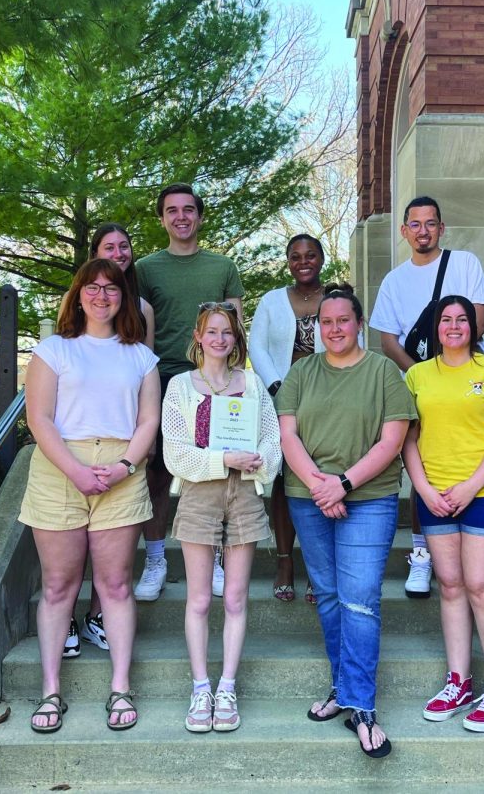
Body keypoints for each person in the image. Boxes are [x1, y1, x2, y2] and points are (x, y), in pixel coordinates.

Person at [20, 258, 160, 733]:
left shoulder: (140, 356)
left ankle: (120, 686)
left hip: (121, 468)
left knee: (116, 585)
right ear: (77, 295)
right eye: (93, 288)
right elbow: (39, 419)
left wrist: (124, 466)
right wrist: (76, 471)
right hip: (61, 470)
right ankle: (51, 691)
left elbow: (148, 421)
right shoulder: (54, 350)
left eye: (112, 288)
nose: (102, 296)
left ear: (124, 296)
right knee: (59, 585)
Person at [276, 283, 416, 758]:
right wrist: (321, 485)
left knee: (359, 601)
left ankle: (362, 706)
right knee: (331, 597)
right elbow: (288, 435)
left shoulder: (384, 372)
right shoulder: (302, 372)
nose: (334, 329)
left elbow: (391, 441)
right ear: (318, 327)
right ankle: (342, 688)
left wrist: (344, 485)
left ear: (359, 323)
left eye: (343, 320)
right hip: (307, 497)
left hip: (369, 498)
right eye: (326, 321)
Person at [402, 295, 484, 732]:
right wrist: (423, 490)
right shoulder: (417, 375)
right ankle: (458, 683)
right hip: (435, 496)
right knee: (451, 586)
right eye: (446, 320)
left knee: (482, 587)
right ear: (435, 328)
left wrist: (471, 486)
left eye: (462, 319)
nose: (454, 326)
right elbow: (408, 440)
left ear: (474, 327)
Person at [162, 303, 281, 732]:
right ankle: (200, 688)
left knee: (234, 598)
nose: (219, 339)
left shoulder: (251, 384)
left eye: (226, 332)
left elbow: (273, 439)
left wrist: (257, 460)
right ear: (198, 336)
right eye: (211, 331)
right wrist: (222, 458)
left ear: (235, 339)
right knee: (197, 598)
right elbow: (174, 451)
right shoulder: (180, 387)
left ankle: (226, 686)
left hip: (244, 493)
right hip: (199, 493)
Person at [369, 196, 484, 598]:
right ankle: (421, 553)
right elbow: (387, 341)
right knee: (421, 460)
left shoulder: (464, 264)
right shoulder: (393, 280)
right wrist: (422, 375)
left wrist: (456, 370)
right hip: (420, 379)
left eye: (431, 223)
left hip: (471, 375)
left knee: (480, 440)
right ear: (404, 231)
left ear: (442, 228)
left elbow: (477, 318)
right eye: (415, 224)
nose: (423, 231)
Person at [135, 183, 244, 601]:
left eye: (188, 210)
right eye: (171, 210)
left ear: (199, 216)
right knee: (158, 473)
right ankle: (156, 560)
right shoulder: (145, 269)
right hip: (161, 381)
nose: (181, 217)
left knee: (215, 473)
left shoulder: (222, 267)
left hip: (214, 380)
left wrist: (233, 379)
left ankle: (214, 558)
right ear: (162, 218)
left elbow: (235, 326)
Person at [61, 223, 155, 659]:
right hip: (75, 451)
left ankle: (100, 615)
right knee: (71, 545)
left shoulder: (141, 310)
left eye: (123, 247)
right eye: (107, 248)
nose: (117, 253)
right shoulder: (68, 336)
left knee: (113, 554)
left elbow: (139, 369)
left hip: (126, 441)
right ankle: (66, 618)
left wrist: (135, 454)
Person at [249, 233, 326, 603]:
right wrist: (277, 385)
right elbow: (256, 346)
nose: (303, 261)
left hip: (328, 401)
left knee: (319, 479)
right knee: (283, 480)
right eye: (295, 256)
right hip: (281, 400)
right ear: (288, 262)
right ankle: (284, 561)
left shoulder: (336, 299)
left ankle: (316, 565)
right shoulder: (271, 301)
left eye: (310, 255)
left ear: (322, 259)